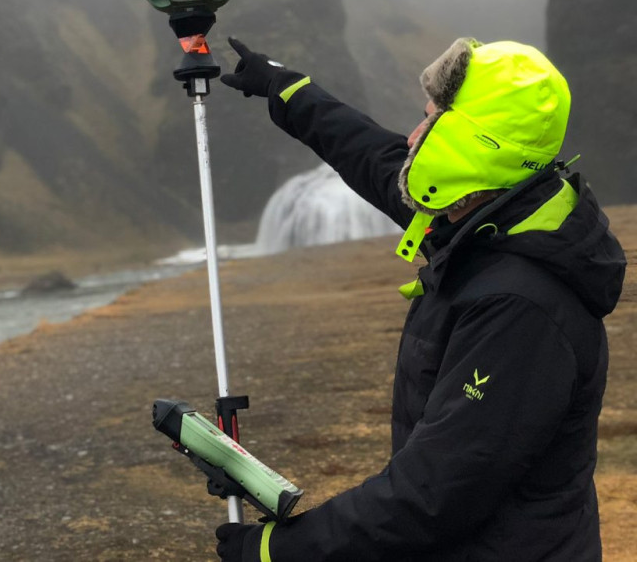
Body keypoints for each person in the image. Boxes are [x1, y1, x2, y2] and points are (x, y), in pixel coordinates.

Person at [214, 36, 626, 562]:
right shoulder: (490, 220)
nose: (413, 138)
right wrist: (287, 90)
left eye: (431, 122)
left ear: (470, 146)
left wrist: (277, 549)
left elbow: (433, 494)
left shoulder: (520, 309)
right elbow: (375, 158)